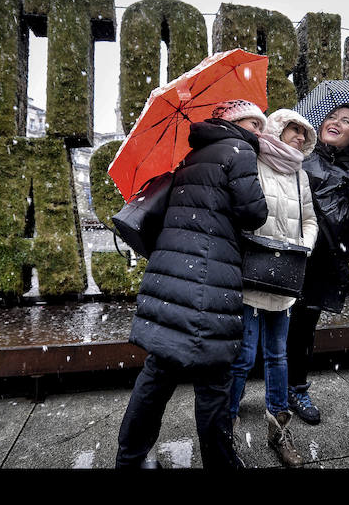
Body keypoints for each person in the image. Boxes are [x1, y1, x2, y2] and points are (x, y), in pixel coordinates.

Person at [115, 99, 269, 469]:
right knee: (215, 381)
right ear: (234, 122)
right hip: (208, 281)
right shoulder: (239, 150)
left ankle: (130, 458)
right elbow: (255, 214)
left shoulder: (189, 157)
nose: (259, 133)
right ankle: (220, 463)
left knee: (157, 375)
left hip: (171, 278)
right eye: (254, 124)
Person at [228, 108, 318, 468]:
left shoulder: (300, 175)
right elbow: (240, 212)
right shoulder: (252, 163)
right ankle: (224, 430)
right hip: (252, 275)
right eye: (292, 130)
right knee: (243, 357)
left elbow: (310, 219)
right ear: (277, 130)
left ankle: (279, 432)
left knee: (278, 356)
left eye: (302, 133)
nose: (299, 137)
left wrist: (304, 246)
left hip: (285, 277)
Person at [285, 103, 349, 425]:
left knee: (303, 329)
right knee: (266, 324)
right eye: (332, 117)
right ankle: (250, 385)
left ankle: (296, 388)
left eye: (346, 121)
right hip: (290, 254)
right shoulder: (299, 158)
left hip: (323, 263)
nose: (336, 123)